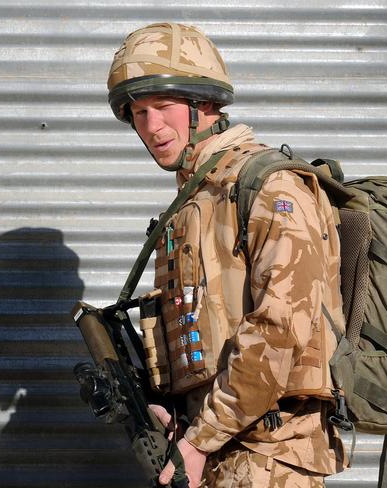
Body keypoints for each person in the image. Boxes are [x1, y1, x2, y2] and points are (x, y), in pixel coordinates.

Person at [107, 22, 347, 487]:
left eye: (163, 107)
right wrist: (178, 417)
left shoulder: (269, 186)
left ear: (205, 105)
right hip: (215, 449)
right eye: (138, 113)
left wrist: (200, 439)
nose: (152, 127)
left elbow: (281, 327)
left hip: (271, 456)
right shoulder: (194, 203)